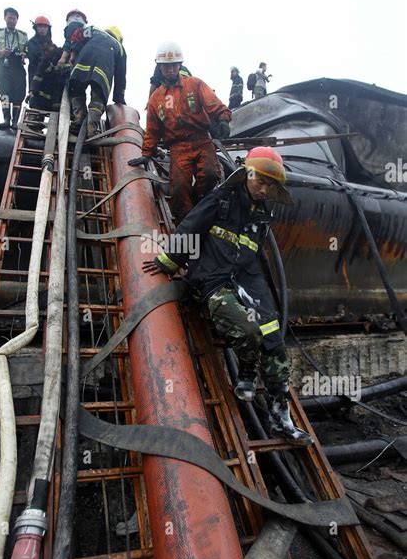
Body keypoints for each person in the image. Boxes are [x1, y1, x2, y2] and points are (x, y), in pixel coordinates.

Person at [143, 146, 312, 446]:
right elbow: (190, 229)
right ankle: (246, 367)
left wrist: (262, 295)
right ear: (248, 174)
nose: (264, 189)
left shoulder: (263, 214)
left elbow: (254, 254)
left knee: (273, 337)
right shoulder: (221, 200)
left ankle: (280, 418)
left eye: (270, 185)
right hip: (213, 279)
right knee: (247, 330)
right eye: (260, 181)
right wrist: (167, 262)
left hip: (247, 279)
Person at [129, 41, 231, 225]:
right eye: (166, 66)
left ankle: (199, 206)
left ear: (179, 66)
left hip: (201, 140)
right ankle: (189, 225)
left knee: (210, 174)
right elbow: (152, 129)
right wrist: (146, 153)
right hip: (178, 147)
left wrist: (223, 118)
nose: (170, 70)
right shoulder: (155, 99)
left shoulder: (196, 85)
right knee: (178, 190)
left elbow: (213, 103)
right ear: (160, 68)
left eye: (174, 65)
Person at [68, 22, 126, 137]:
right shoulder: (120, 47)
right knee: (97, 100)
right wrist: (119, 99)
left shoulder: (93, 29)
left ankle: (79, 117)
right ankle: (91, 127)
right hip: (102, 73)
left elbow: (77, 36)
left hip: (82, 65)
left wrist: (73, 55)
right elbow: (121, 77)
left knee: (77, 90)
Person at [0, 8, 28, 130]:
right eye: (9, 18)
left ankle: (15, 121)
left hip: (17, 65)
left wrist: (23, 55)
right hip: (4, 64)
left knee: (18, 94)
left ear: (17, 20)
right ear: (5, 18)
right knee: (4, 92)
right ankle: (6, 119)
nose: (11, 20)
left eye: (14, 18)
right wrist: (1, 52)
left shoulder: (23, 35)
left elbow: (27, 51)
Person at [28, 38, 66, 112]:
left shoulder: (61, 53)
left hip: (62, 88)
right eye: (43, 51)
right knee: (36, 98)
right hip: (49, 89)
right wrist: (32, 91)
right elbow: (37, 75)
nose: (45, 53)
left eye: (47, 50)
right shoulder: (44, 60)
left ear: (52, 46)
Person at [26, 15, 52, 86]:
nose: (43, 29)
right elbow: (34, 57)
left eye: (45, 27)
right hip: (35, 73)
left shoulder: (50, 43)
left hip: (49, 75)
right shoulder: (31, 42)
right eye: (40, 27)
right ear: (36, 28)